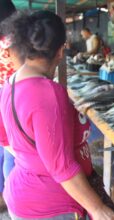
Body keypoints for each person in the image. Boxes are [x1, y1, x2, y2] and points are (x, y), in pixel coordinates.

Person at [0, 11, 114, 220]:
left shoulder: (10, 83)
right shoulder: (48, 93)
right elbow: (61, 167)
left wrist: (32, 161)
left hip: (22, 195)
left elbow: (4, 136)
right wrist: (98, 209)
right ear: (61, 51)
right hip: (51, 207)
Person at [0, 0, 18, 212]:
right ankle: (10, 195)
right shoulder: (13, 39)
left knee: (3, 148)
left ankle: (3, 193)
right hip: (12, 96)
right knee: (14, 150)